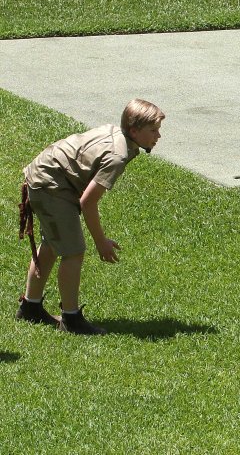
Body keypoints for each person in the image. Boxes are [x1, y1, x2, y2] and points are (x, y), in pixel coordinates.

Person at [14, 99, 164, 335]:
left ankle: (31, 307)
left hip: (45, 174)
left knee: (53, 243)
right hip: (50, 185)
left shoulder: (116, 131)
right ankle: (71, 319)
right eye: (153, 130)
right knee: (73, 251)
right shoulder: (118, 157)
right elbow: (88, 202)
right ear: (134, 131)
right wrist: (100, 242)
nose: (158, 136)